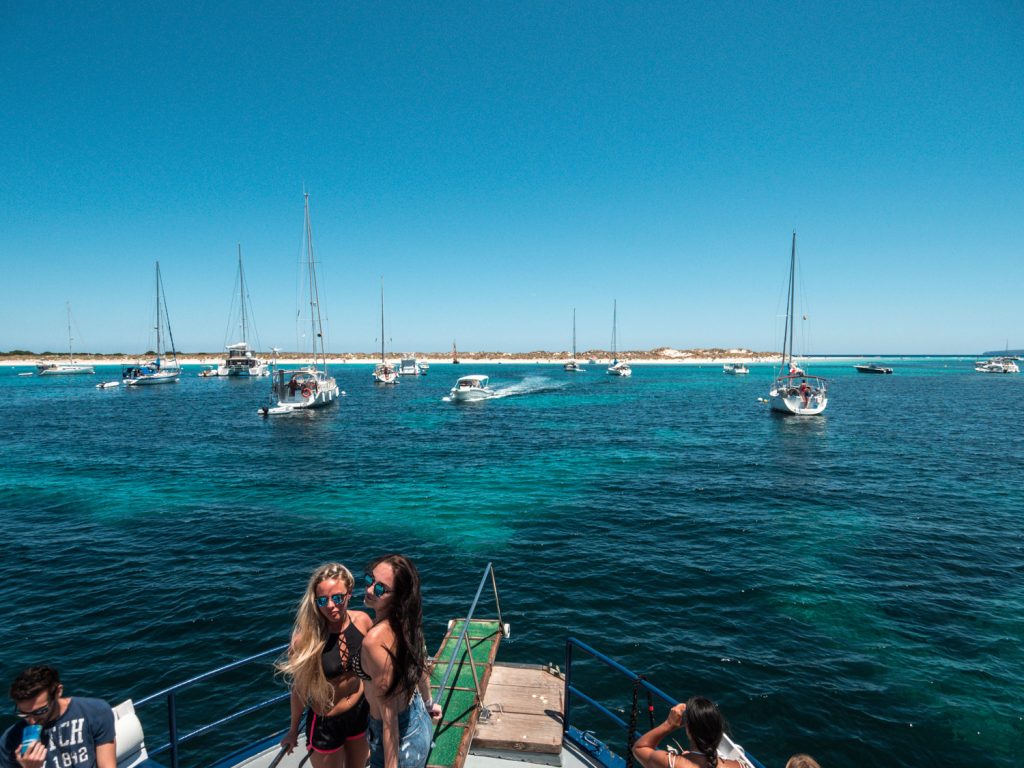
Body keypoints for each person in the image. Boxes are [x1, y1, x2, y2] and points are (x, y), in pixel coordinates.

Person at [277, 563, 374, 768]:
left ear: (349, 594)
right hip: (326, 724)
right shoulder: (307, 639)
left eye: (337, 598)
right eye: (323, 600)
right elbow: (300, 690)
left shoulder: (363, 621)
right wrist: (293, 730)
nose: (330, 605)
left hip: (360, 712)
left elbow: (376, 664)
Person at [356, 554, 441, 768]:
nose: (369, 590)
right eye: (369, 580)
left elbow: (389, 720)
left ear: (398, 597)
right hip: (419, 718)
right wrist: (430, 703)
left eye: (380, 589)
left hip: (398, 742)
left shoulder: (374, 641)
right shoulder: (408, 624)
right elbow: (420, 668)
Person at [1, 665, 115, 768]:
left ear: (58, 692)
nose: (31, 721)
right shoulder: (9, 741)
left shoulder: (95, 711)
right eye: (24, 714)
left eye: (40, 711)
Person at [632, 696, 744, 768]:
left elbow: (639, 748)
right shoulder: (739, 766)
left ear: (689, 729)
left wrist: (669, 724)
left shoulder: (672, 763)